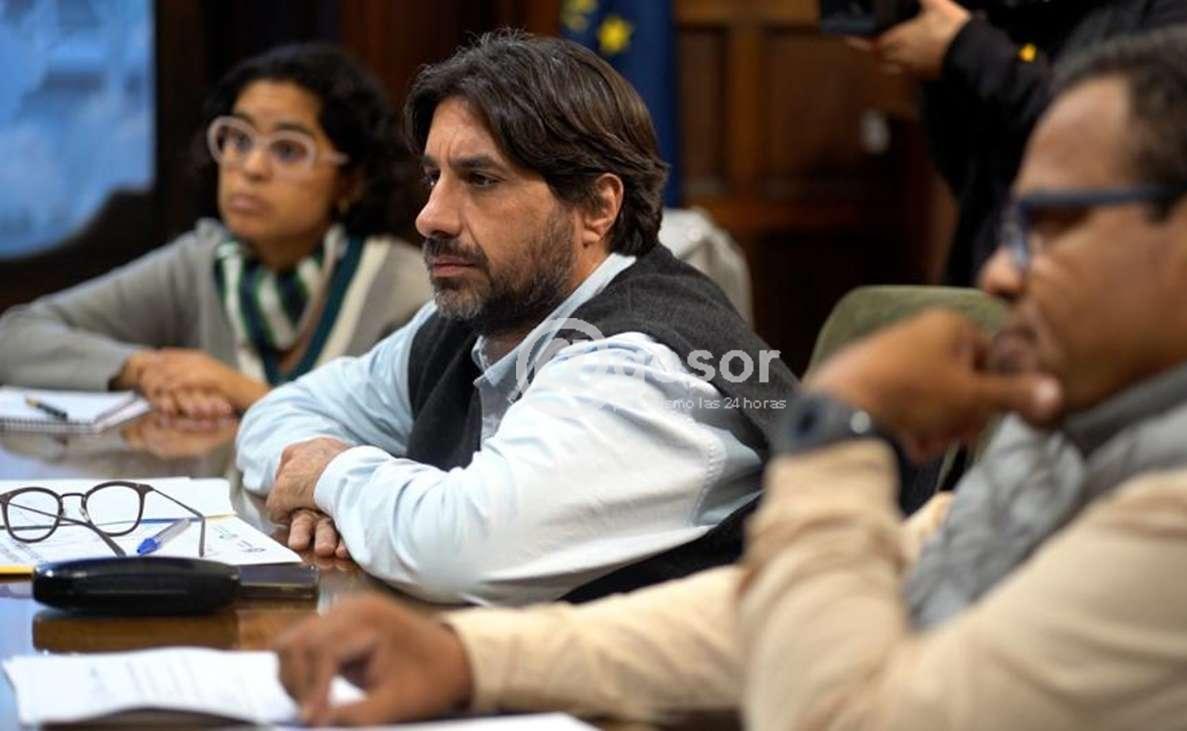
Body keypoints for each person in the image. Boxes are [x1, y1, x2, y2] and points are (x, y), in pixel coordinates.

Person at [275, 26, 1187, 729]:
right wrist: (474, 662)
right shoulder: (1086, 421)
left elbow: (839, 711)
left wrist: (838, 431)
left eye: (1052, 224)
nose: (997, 270)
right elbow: (790, 609)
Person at [235, 31, 798, 605]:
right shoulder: (479, 317)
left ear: (598, 208)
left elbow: (458, 551)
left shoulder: (648, 368)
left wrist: (332, 476)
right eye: (433, 178)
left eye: (480, 180)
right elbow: (276, 414)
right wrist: (319, 491)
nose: (430, 217)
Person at [0, 43, 429, 418]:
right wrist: (144, 369)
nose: (251, 168)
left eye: (287, 149)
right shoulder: (199, 264)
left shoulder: (405, 290)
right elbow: (14, 337)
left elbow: (414, 445)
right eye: (238, 139)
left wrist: (240, 390)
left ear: (350, 181)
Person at [856, 0, 1187, 284]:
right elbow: (982, 178)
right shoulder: (1035, 15)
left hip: (1142, 321)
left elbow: (1157, 159)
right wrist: (945, 64)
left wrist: (970, 52)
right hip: (1019, 307)